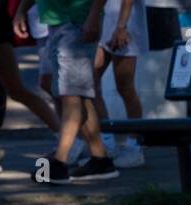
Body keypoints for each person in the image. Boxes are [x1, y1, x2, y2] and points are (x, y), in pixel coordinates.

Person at [14, 0, 118, 183]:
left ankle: (60, 162)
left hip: (78, 21)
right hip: (57, 21)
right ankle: (100, 159)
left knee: (71, 93)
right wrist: (22, 9)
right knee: (77, 95)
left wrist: (94, 15)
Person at [93, 0, 146, 167]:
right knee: (89, 81)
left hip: (124, 23)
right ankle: (107, 142)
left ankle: (134, 148)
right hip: (103, 21)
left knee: (125, 87)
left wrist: (122, 27)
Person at [0, 0, 61, 133]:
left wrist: (20, 13)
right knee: (17, 91)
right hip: (0, 32)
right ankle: (66, 136)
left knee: (17, 91)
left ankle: (66, 136)